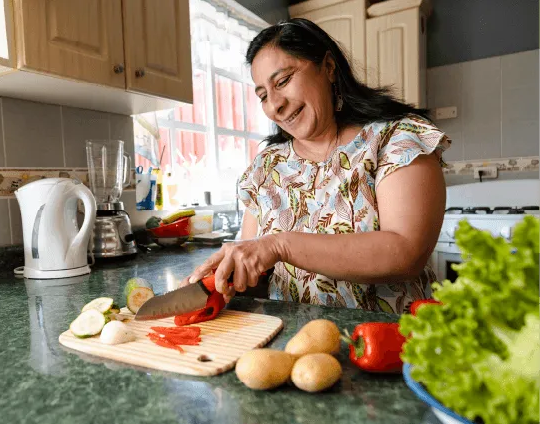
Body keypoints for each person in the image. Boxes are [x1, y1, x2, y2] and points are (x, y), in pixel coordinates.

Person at [183, 18, 451, 313]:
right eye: (262, 96)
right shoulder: (266, 168)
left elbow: (405, 254)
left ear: (328, 67)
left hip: (391, 346)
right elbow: (254, 275)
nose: (274, 105)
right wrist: (220, 281)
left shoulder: (395, 139)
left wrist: (279, 245)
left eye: (283, 81)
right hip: (295, 347)